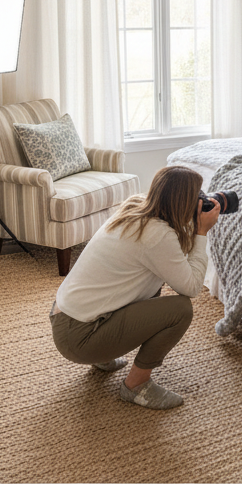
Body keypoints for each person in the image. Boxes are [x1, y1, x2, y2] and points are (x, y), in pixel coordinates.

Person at [50, 166, 219, 410]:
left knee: (150, 284)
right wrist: (202, 232)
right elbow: (191, 287)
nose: (201, 199)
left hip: (65, 319)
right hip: (80, 339)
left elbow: (172, 261)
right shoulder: (158, 235)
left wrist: (192, 223)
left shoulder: (135, 208)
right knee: (180, 309)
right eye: (197, 195)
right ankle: (136, 386)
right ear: (182, 201)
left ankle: (104, 355)